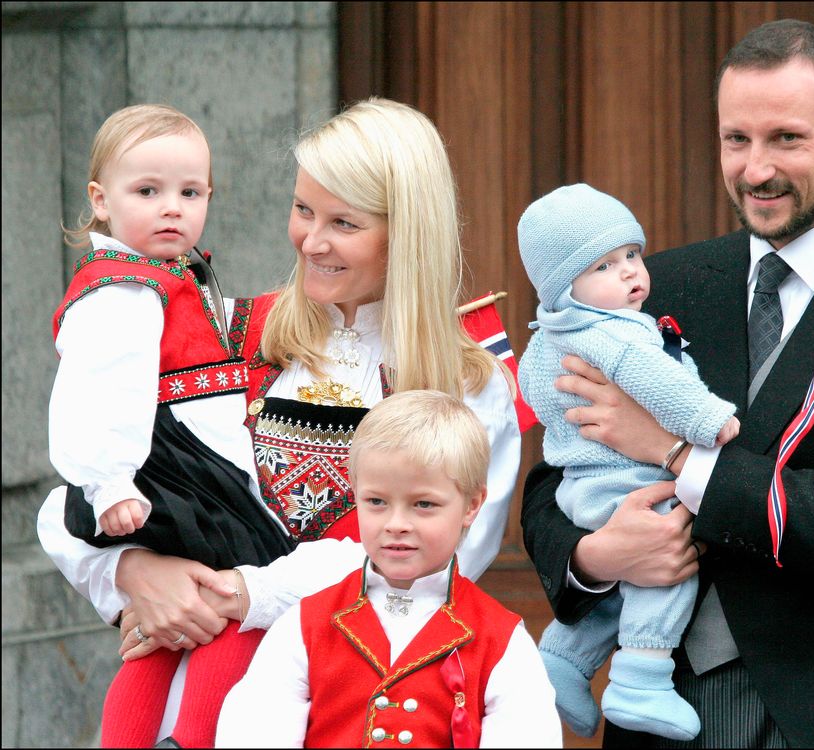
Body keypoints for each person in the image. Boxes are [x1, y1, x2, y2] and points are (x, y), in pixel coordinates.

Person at [520, 19, 814, 748]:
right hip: (655, 705)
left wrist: (675, 454)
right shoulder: (651, 285)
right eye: (735, 139)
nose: (755, 169)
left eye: (786, 139)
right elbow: (555, 477)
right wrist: (594, 558)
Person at [37, 97, 521, 746]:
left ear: (408, 231)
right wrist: (132, 572)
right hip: (196, 711)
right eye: (303, 210)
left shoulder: (467, 380)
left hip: (371, 708)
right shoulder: (229, 332)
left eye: (343, 223)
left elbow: (427, 561)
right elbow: (71, 493)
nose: (310, 241)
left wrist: (242, 591)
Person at [48, 103, 296, 748]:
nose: (172, 208)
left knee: (161, 633)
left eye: (190, 192)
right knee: (230, 608)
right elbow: (97, 395)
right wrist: (109, 484)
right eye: (147, 191)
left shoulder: (168, 277)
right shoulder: (123, 292)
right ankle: (190, 738)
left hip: (175, 462)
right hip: (170, 468)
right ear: (101, 200)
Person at [516, 183, 739, 740]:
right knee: (665, 573)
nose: (631, 273)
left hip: (583, 488)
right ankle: (642, 678)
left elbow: (537, 394)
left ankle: (562, 662)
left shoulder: (547, 339)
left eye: (632, 255)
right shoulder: (615, 335)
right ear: (565, 289)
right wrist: (708, 421)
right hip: (629, 484)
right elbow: (660, 384)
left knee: (618, 589)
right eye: (605, 266)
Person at [216, 390, 561, 748]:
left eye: (423, 504)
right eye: (377, 501)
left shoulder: (500, 640)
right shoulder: (305, 624)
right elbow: (254, 732)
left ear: (472, 505)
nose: (396, 523)